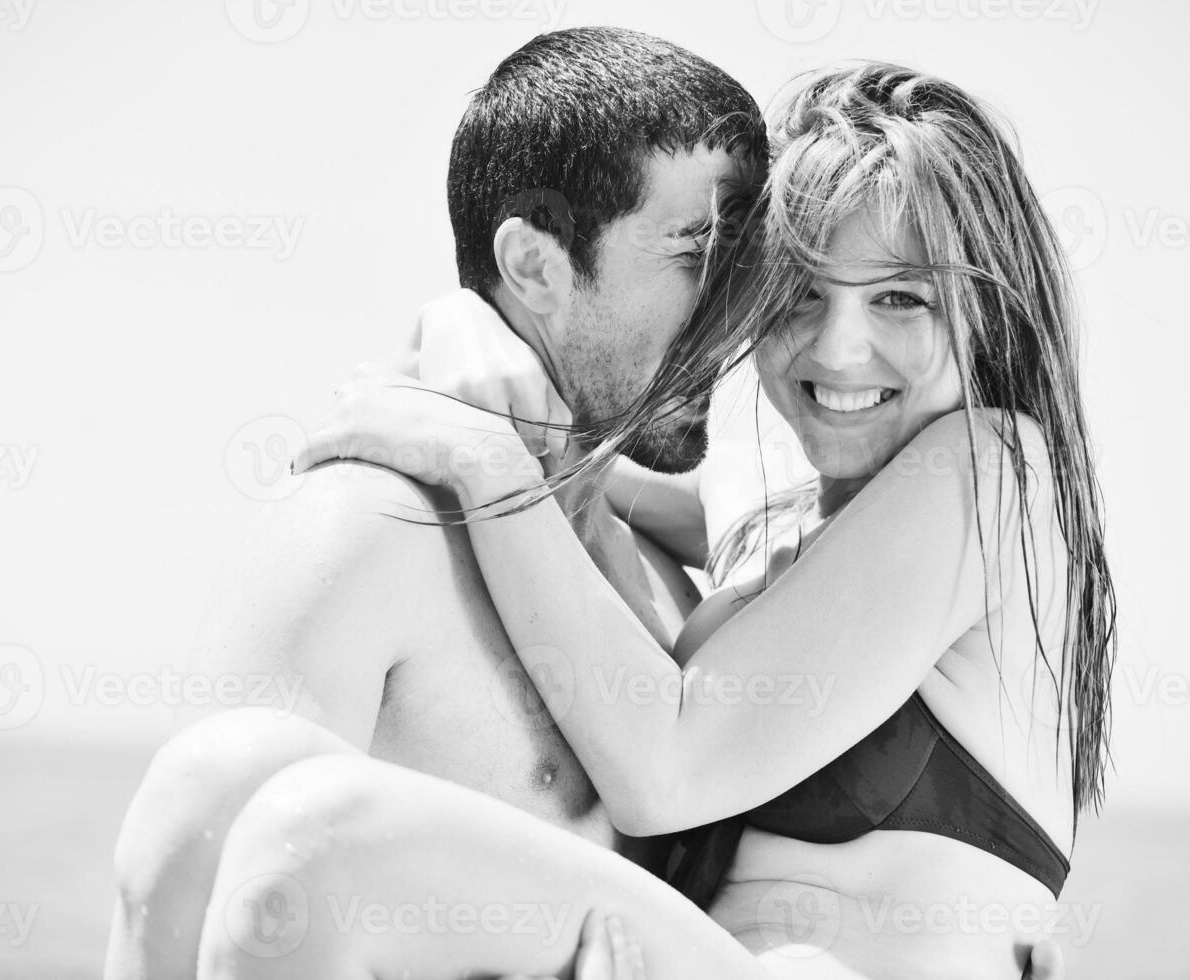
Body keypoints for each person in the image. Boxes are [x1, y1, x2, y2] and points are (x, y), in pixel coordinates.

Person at [230, 61, 1115, 979]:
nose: (838, 347)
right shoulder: (781, 524)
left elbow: (667, 770)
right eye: (803, 292)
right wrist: (463, 335)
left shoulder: (994, 472)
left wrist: (483, 463)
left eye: (901, 297)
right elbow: (583, 458)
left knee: (310, 833)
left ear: (988, 314)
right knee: (231, 787)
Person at [104, 25, 770, 980]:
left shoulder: (667, 584)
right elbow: (196, 912)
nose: (742, 309)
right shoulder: (362, 536)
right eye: (699, 254)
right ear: (538, 267)